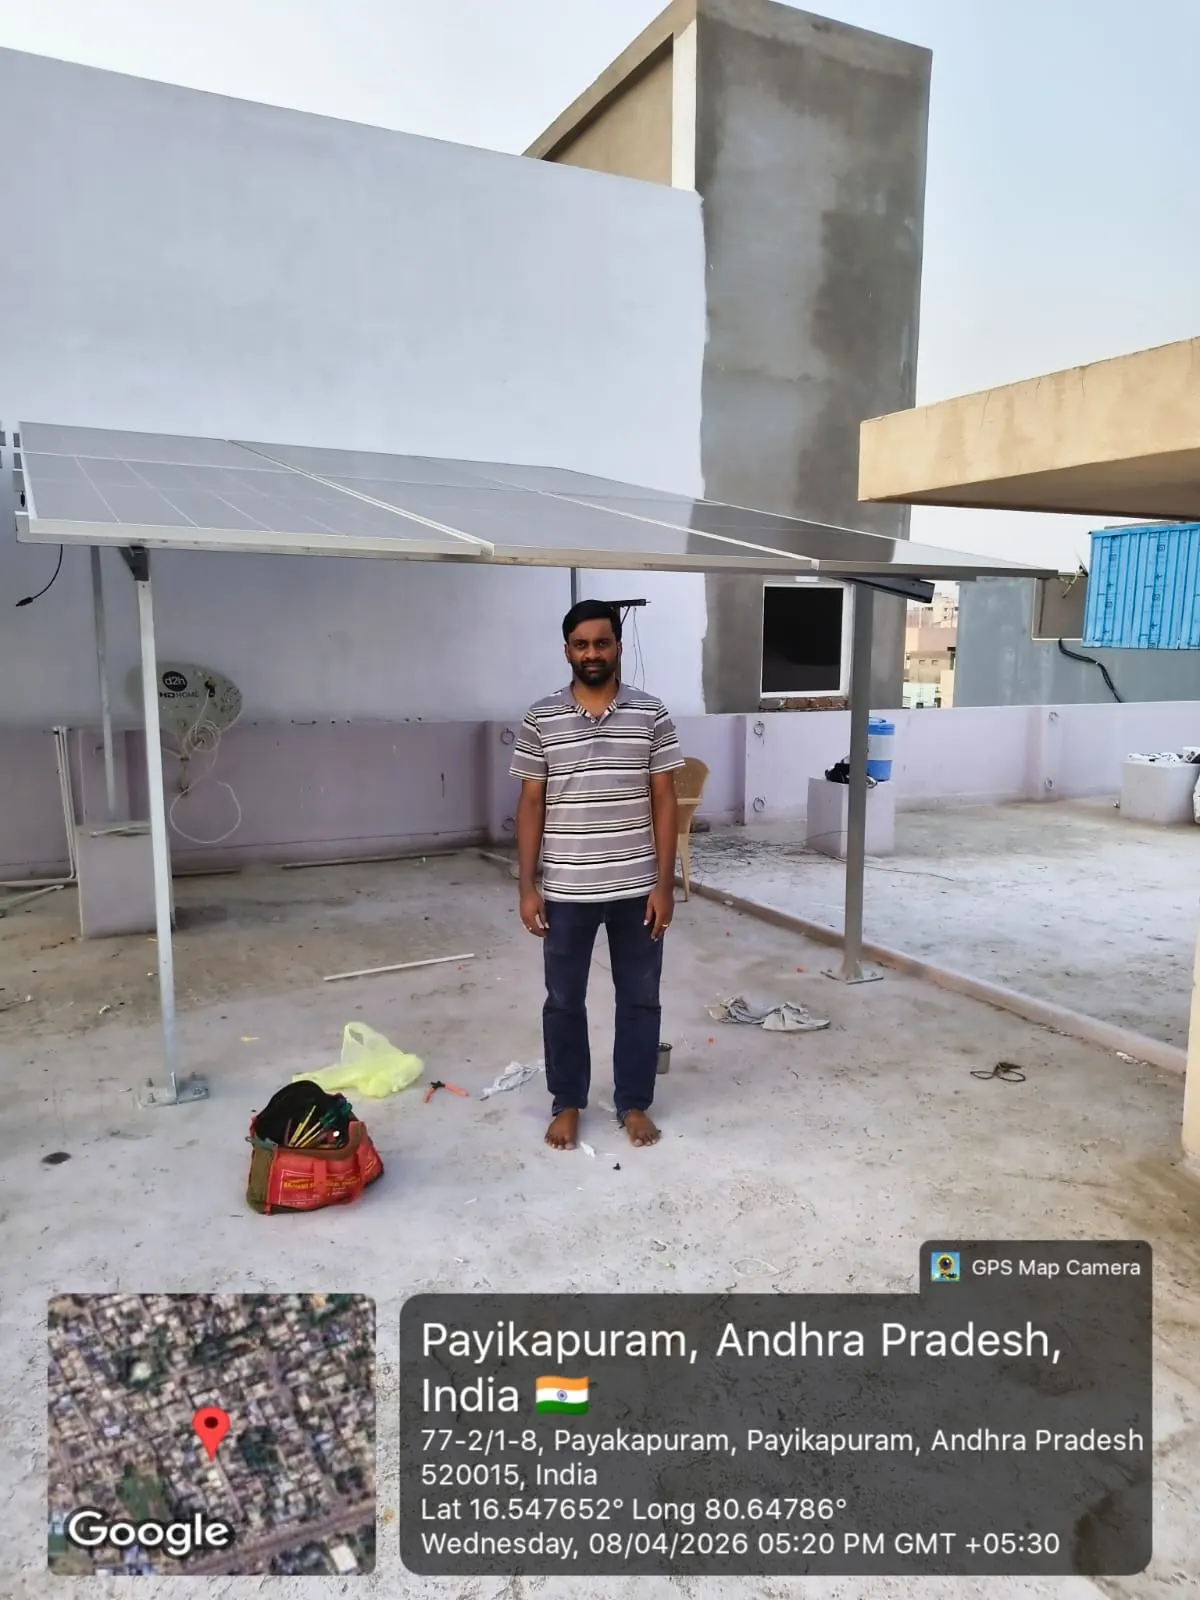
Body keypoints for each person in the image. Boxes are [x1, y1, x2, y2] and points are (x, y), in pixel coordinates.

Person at [510, 600, 683, 1151]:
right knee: (564, 1001)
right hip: (566, 890)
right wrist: (527, 886)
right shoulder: (540, 717)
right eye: (581, 644)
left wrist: (664, 885)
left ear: (618, 648)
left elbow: (665, 799)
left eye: (602, 643)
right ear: (567, 651)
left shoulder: (651, 713)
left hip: (637, 889)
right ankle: (568, 1102)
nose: (592, 653)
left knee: (640, 998)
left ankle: (633, 1102)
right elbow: (531, 803)